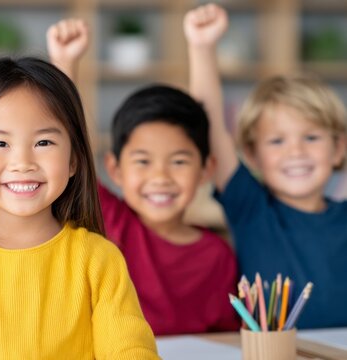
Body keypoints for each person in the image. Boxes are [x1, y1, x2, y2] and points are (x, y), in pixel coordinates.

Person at [0, 56, 159, 359]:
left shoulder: (100, 259)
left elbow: (129, 348)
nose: (23, 163)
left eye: (44, 142)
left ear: (74, 160)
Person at [48, 17, 239, 335]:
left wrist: (202, 47)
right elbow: (65, 152)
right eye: (143, 161)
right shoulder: (109, 220)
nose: (160, 176)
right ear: (114, 170)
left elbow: (226, 339)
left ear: (206, 169)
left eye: (178, 161)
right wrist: (65, 62)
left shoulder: (217, 256)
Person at [187, 3, 347, 328]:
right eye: (277, 141)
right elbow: (209, 126)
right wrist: (202, 48)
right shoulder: (252, 209)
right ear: (252, 154)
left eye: (312, 138)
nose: (296, 152)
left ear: (338, 148)